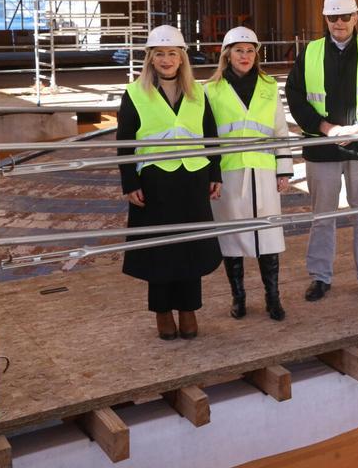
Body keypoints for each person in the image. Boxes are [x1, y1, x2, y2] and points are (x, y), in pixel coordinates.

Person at [284, 0, 358, 302]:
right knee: (322, 217)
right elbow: (294, 95)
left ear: (356, 17)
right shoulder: (310, 53)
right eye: (333, 17)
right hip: (323, 148)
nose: (339, 23)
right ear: (325, 19)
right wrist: (326, 128)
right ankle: (320, 277)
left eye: (345, 16)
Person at [117, 25, 222, 341]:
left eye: (172, 54)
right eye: (159, 54)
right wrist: (129, 181)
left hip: (193, 179)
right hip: (155, 182)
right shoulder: (135, 93)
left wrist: (214, 173)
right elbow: (124, 141)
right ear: (150, 58)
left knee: (189, 246)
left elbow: (210, 137)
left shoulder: (198, 92)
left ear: (181, 58)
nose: (166, 60)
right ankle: (163, 311)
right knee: (161, 248)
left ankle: (188, 309)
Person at [204, 26, 293, 322]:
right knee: (232, 239)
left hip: (264, 171)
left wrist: (284, 170)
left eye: (250, 50)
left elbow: (280, 131)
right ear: (227, 55)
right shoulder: (210, 90)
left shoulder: (269, 86)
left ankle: (273, 297)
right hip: (228, 173)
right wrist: (210, 175)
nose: (245, 56)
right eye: (239, 50)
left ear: (256, 54)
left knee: (268, 235)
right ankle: (238, 298)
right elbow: (207, 137)